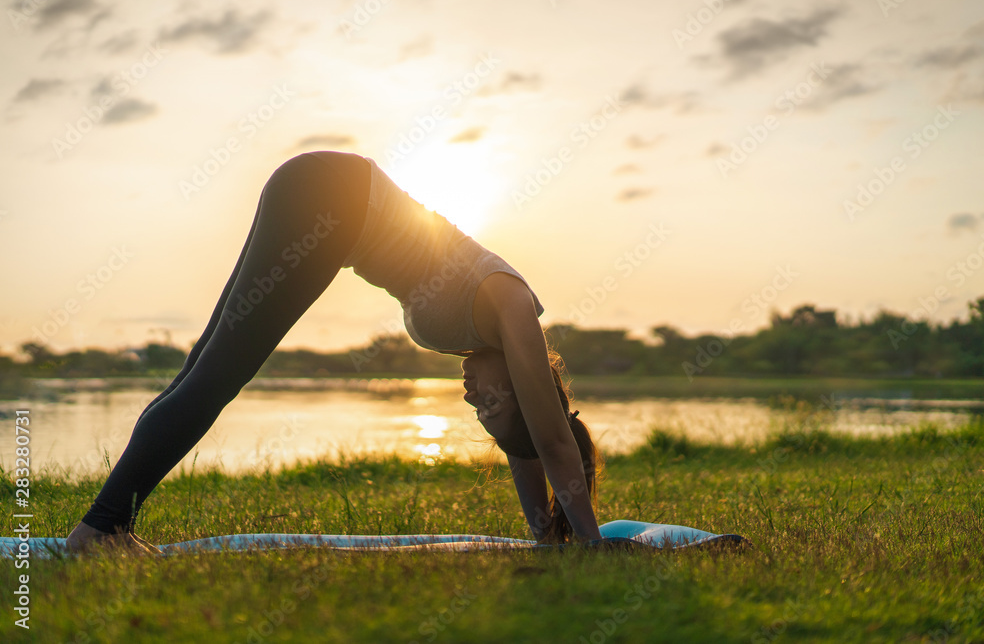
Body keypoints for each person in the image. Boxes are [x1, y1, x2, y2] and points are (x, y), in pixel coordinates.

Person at [65, 151, 602, 554]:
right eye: (489, 402)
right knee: (216, 376)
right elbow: (551, 438)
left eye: (478, 411)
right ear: (522, 384)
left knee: (203, 369)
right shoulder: (512, 305)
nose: (471, 399)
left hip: (320, 194)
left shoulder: (493, 339)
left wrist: (548, 541)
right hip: (334, 200)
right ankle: (103, 528)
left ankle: (107, 525)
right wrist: (593, 545)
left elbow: (528, 449)